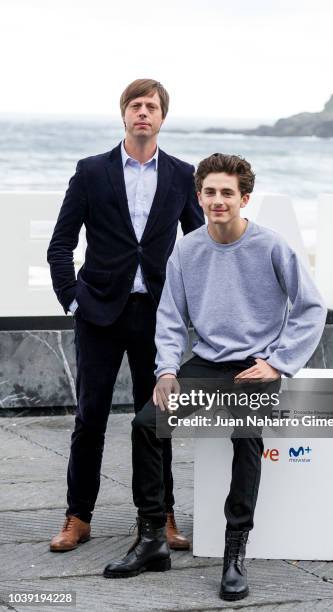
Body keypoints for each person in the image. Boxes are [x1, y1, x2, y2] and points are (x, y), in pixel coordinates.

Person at [104, 153, 328, 601]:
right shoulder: (187, 249)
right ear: (199, 196)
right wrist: (167, 369)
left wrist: (279, 362)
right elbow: (169, 317)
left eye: (227, 192)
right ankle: (152, 539)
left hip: (255, 367)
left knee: (246, 437)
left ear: (244, 198)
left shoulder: (271, 246)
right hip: (205, 364)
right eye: (210, 192)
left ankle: (234, 552)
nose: (218, 200)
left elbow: (310, 307)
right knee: (146, 425)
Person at [47, 78, 204, 553]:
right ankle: (78, 517)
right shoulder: (92, 171)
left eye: (151, 106)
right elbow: (60, 244)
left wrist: (196, 305)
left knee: (157, 419)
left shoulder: (181, 174)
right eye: (135, 104)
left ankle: (159, 516)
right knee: (89, 417)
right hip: (98, 314)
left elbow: (199, 247)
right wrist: (73, 298)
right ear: (123, 114)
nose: (143, 112)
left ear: (162, 117)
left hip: (158, 317)